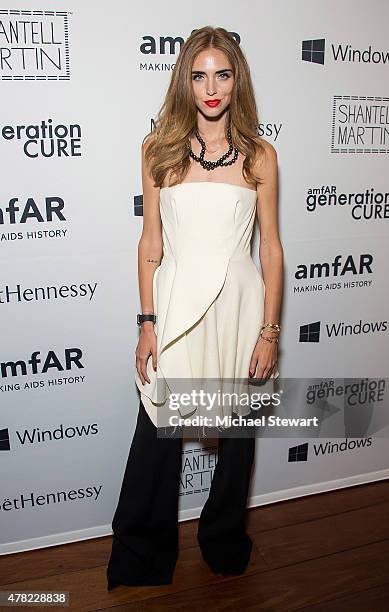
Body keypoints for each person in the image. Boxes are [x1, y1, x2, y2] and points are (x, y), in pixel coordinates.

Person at [106, 25, 283, 590]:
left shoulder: (260, 157)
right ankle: (141, 554)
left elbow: (272, 248)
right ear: (185, 80)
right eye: (199, 74)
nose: (211, 87)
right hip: (177, 302)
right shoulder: (158, 152)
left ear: (237, 82)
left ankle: (224, 540)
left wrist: (269, 332)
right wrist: (146, 324)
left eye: (223, 74)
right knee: (156, 431)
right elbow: (150, 245)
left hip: (239, 304)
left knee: (235, 442)